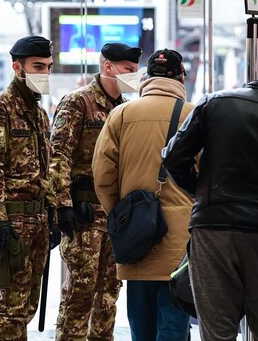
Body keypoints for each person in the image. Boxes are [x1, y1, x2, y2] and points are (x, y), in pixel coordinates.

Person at [162, 50, 258, 341]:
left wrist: (200, 191)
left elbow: (173, 156)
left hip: (212, 228)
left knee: (217, 329)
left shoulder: (214, 102)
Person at [92, 48, 195, 341]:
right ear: (181, 77)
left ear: (147, 77)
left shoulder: (121, 114)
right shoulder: (194, 115)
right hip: (181, 243)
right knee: (174, 325)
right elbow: (208, 176)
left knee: (141, 324)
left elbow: (102, 175)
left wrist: (122, 215)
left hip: (136, 238)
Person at [50, 42, 141, 341]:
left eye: (135, 70)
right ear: (108, 67)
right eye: (128, 70)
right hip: (83, 214)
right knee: (80, 291)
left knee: (109, 295)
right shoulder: (79, 102)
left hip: (114, 216)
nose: (133, 75)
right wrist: (63, 205)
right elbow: (58, 155)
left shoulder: (126, 108)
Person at [0, 35, 61, 340]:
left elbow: (45, 168)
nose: (45, 73)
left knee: (27, 306)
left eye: (48, 67)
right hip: (11, 223)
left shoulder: (39, 114)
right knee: (12, 307)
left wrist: (52, 213)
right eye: (38, 66)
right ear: (17, 67)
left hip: (37, 221)